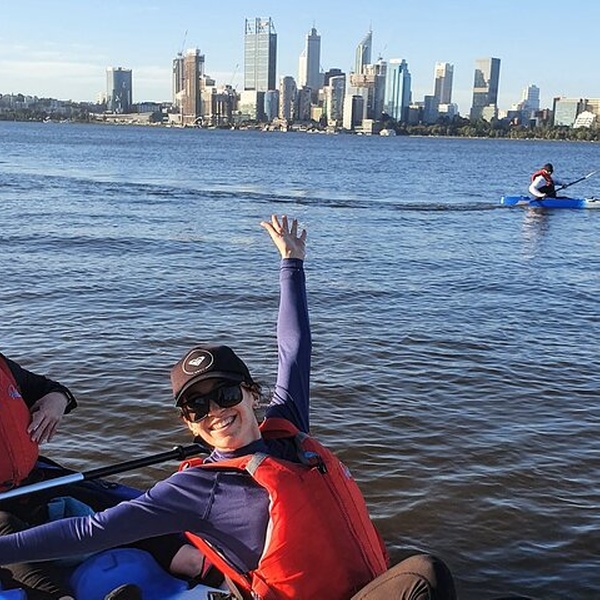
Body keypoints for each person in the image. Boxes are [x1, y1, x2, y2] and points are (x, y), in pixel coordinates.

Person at [0, 215, 456, 600]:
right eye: (196, 406)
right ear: (190, 425)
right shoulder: (197, 488)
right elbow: (89, 531)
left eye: (225, 394)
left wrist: (291, 263)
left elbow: (294, 349)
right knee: (424, 575)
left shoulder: (288, 426)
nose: (215, 410)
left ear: (252, 394)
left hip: (360, 585)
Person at [0, 353, 77, 600]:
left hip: (27, 485)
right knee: (6, 528)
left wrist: (58, 399)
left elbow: (50, 388)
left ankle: (181, 559)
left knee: (98, 494)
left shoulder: (4, 367)